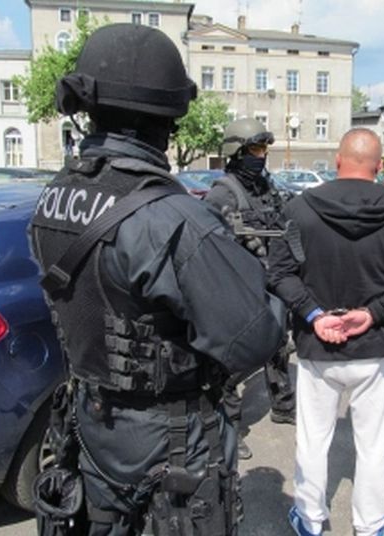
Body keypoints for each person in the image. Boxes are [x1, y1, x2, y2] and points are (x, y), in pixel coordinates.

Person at [29, 24, 286, 536]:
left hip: (93, 425)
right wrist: (258, 279)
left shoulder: (53, 197)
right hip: (171, 444)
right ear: (165, 120)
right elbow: (255, 337)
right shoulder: (171, 217)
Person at [268, 128, 384, 536]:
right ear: (380, 166)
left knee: (313, 439)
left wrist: (314, 315)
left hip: (317, 346)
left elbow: (279, 273)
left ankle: (310, 518)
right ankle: (371, 523)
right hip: (377, 347)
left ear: (338, 161)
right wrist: (372, 314)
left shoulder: (299, 210)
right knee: (375, 444)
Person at [204, 118, 296, 460]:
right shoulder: (222, 194)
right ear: (237, 152)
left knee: (278, 347)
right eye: (256, 149)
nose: (262, 156)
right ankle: (230, 427)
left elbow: (288, 216)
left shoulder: (265, 188)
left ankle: (283, 406)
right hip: (237, 292)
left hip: (270, 284)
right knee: (232, 364)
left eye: (264, 149)